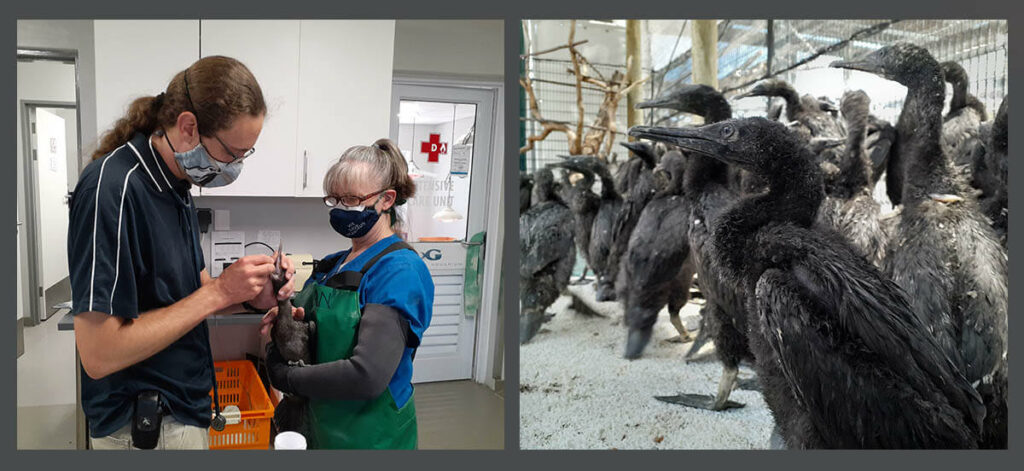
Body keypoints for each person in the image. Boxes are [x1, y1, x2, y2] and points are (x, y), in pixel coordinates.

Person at [67, 55, 295, 450]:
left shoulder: (176, 187)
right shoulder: (112, 189)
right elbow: (99, 354)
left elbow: (192, 294)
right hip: (143, 429)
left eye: (245, 155)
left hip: (185, 410)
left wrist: (250, 296)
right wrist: (220, 292)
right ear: (188, 126)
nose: (236, 166)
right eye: (233, 152)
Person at [260, 138, 433, 449]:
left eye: (351, 200)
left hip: (369, 436)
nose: (341, 209)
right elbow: (318, 331)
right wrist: (290, 316)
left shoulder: (398, 271)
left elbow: (366, 375)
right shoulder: (335, 263)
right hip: (319, 425)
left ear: (386, 199)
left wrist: (285, 377)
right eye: (334, 200)